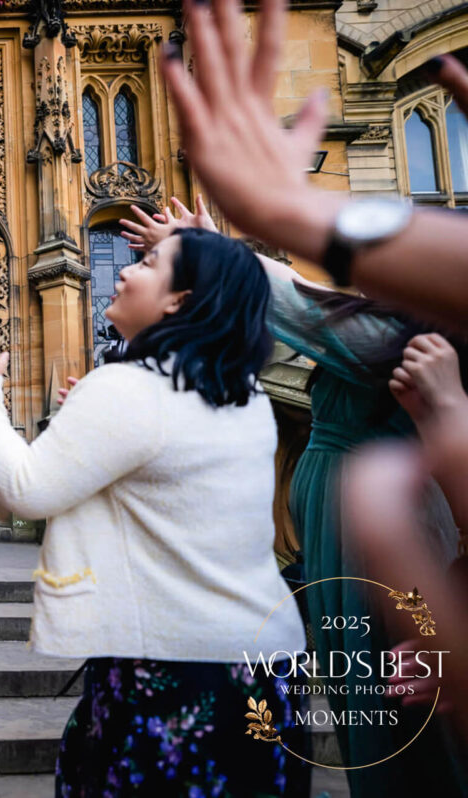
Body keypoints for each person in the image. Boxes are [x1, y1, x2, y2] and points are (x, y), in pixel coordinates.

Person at [0, 230, 308, 796]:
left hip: (175, 672)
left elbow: (27, 488)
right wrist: (88, 414)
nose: (122, 271)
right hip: (264, 664)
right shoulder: (241, 392)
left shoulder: (132, 388)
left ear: (179, 301)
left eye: (148, 262)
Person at [122, 197, 467, 794]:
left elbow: (307, 311)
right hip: (341, 522)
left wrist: (217, 258)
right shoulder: (391, 316)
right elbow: (311, 295)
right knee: (363, 695)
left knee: (388, 701)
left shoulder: (413, 335)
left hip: (376, 531)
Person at [161, 0, 468, 332]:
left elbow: (308, 305)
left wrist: (294, 214)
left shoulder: (410, 353)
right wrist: (288, 214)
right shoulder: (400, 346)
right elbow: (307, 299)